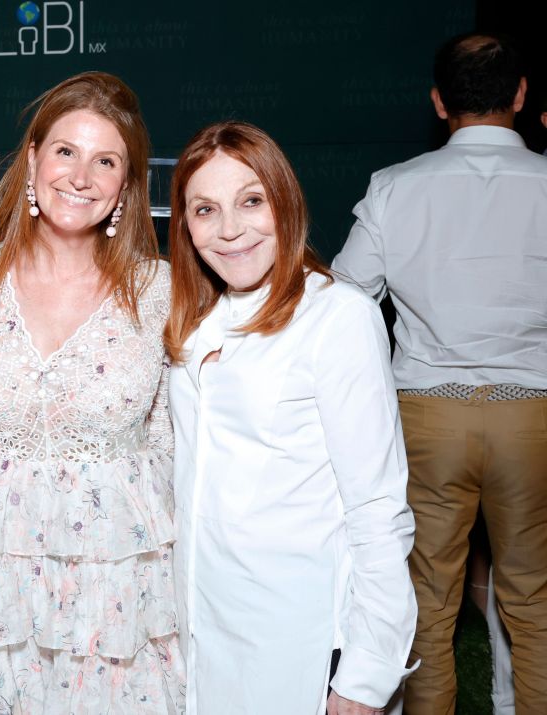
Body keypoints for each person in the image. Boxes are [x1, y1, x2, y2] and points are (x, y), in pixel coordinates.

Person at [0, 72, 183, 713]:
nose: (81, 177)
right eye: (65, 151)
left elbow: (175, 437)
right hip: (4, 588)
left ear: (126, 186)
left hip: (122, 593)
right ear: (31, 159)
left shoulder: (159, 289)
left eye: (105, 160)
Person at [166, 121, 417, 715]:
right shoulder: (197, 324)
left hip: (299, 640)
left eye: (251, 201)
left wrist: (368, 672)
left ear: (284, 201)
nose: (230, 230)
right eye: (205, 210)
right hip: (204, 629)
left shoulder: (338, 318)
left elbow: (377, 507)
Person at [332, 32, 547, 715]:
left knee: (425, 602)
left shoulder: (396, 188)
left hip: (426, 415)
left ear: (437, 102)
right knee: (535, 597)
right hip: (535, 417)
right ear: (519, 95)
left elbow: (344, 300)